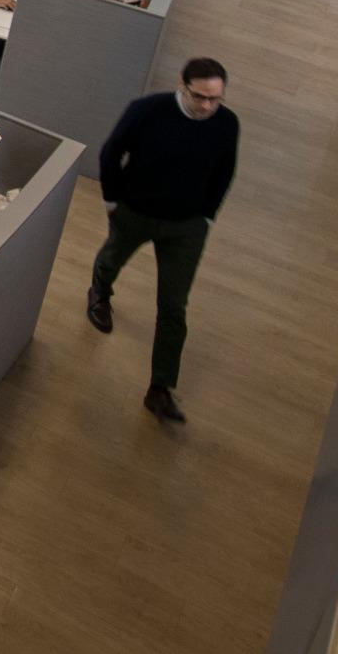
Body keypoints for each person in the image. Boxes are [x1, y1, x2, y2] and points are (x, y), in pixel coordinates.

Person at [88, 59, 241, 425]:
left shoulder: (226, 123)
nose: (207, 106)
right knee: (112, 258)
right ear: (182, 86)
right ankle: (99, 292)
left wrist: (206, 216)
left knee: (174, 307)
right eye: (200, 97)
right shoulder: (147, 111)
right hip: (135, 213)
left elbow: (225, 170)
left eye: (215, 99)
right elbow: (111, 153)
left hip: (186, 227)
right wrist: (112, 200)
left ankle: (160, 388)